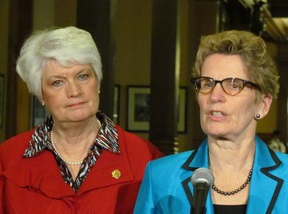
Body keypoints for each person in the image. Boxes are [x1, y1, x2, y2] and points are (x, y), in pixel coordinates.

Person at [0, 26, 163, 213]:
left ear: (98, 82)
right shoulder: (7, 159)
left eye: (83, 76)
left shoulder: (145, 157)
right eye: (57, 82)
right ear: (41, 95)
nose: (74, 91)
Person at [134, 30, 288, 213]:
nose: (214, 96)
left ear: (262, 105)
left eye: (233, 84)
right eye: (207, 84)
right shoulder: (161, 176)